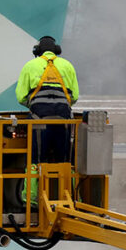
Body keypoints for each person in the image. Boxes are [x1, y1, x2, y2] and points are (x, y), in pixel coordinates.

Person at [15, 35, 79, 164]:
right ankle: (67, 183)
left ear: (37, 51)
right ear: (56, 50)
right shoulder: (68, 65)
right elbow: (75, 96)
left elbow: (21, 97)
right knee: (65, 162)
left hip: (38, 122)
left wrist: (34, 104)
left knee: (36, 162)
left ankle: (34, 182)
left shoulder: (30, 66)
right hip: (63, 121)